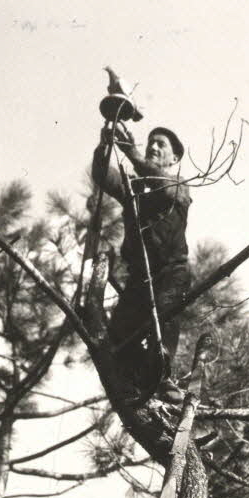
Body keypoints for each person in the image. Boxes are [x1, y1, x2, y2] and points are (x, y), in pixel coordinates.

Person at [91, 120, 191, 405]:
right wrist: (105, 145)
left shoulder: (179, 187)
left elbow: (165, 188)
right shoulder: (133, 190)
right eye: (151, 142)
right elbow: (101, 174)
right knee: (118, 341)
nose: (153, 146)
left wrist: (133, 154)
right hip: (139, 279)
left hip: (171, 273)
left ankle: (162, 377)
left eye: (162, 144)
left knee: (163, 319)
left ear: (175, 158)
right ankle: (139, 382)